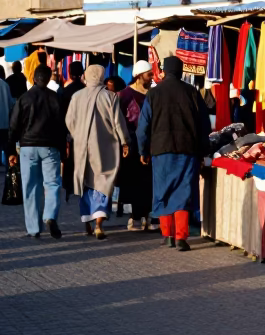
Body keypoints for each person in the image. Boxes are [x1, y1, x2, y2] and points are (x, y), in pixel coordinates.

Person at [136, 55, 211, 252]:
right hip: (187, 150)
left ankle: (167, 235)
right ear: (181, 71)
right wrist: (204, 152)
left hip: (160, 150)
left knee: (163, 191)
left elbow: (142, 126)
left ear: (165, 71)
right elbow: (205, 125)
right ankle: (181, 237)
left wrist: (143, 150)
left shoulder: (153, 94)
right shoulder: (192, 92)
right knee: (183, 192)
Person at [65, 65, 130, 240]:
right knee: (103, 180)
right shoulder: (110, 97)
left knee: (86, 181)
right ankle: (99, 224)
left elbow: (69, 121)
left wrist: (77, 136)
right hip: (105, 147)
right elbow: (117, 123)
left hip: (81, 147)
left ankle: (86, 221)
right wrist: (124, 142)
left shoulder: (76, 96)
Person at [8, 64, 65, 239]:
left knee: (30, 187)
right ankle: (49, 216)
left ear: (33, 77)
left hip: (27, 147)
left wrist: (11, 150)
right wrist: (62, 151)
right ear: (48, 79)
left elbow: (14, 126)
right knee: (52, 183)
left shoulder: (24, 98)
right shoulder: (55, 98)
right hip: (49, 146)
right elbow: (61, 127)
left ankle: (33, 229)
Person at [119, 60, 155, 230]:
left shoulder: (153, 94)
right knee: (135, 180)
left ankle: (146, 217)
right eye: (149, 74)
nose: (151, 77)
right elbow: (119, 121)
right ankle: (135, 217)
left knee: (148, 181)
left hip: (150, 143)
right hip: (132, 144)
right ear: (140, 75)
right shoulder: (125, 95)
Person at [58, 62, 86, 201]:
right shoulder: (85, 90)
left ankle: (69, 186)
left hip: (68, 130)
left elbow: (61, 113)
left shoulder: (65, 91)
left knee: (69, 159)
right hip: (84, 130)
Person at [0, 63, 14, 170]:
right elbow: (11, 104)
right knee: (6, 147)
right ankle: (9, 169)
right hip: (4, 122)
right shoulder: (5, 85)